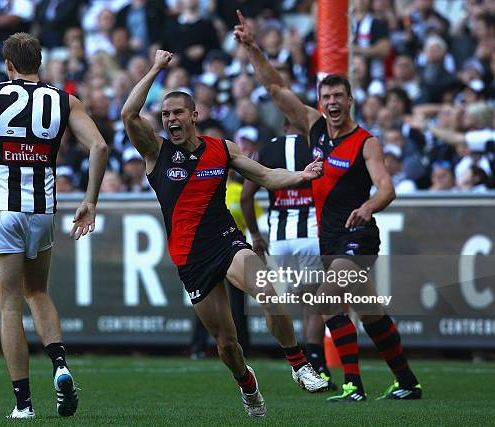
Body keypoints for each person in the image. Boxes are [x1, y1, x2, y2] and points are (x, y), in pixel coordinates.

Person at [121, 49, 327, 419]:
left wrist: (301, 176)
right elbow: (128, 114)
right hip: (189, 256)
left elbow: (264, 176)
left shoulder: (222, 149)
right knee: (226, 343)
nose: (171, 119)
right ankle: (248, 385)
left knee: (267, 289)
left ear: (194, 115)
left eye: (178, 113)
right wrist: (154, 68)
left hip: (226, 242)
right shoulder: (156, 152)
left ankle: (299, 365)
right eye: (166, 114)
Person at [235, 10, 422, 402]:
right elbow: (275, 88)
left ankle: (352, 384)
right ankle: (407, 381)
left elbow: (387, 188)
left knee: (325, 298)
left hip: (358, 236)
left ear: (350, 100)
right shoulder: (315, 128)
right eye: (327, 96)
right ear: (320, 103)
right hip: (329, 237)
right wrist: (253, 49)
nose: (333, 101)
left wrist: (369, 206)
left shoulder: (365, 142)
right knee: (371, 314)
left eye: (339, 96)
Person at [0, 33, 108, 419]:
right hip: (42, 209)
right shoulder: (64, 98)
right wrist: (90, 200)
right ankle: (61, 366)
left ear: (8, 64)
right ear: (40, 63)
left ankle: (24, 404)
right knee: (38, 291)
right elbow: (99, 147)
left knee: (10, 306)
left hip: (1, 208)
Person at [240, 119, 336, 390]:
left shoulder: (266, 150)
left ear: (283, 127)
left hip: (279, 239)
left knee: (278, 302)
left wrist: (256, 235)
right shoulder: (315, 146)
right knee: (314, 303)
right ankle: (316, 366)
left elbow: (246, 197)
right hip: (310, 234)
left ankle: (297, 358)